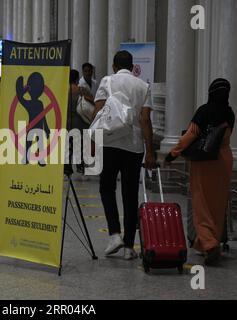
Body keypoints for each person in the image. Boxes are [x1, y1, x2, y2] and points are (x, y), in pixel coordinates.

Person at [165, 79, 235, 266]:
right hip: (224, 159)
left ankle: (210, 244)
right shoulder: (229, 113)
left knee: (201, 202)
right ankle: (207, 242)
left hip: (205, 162)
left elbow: (190, 135)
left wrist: (172, 155)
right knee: (218, 204)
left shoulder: (204, 111)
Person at [93, 50, 156, 259]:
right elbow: (145, 120)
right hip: (134, 146)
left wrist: (92, 142)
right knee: (130, 195)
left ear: (113, 66)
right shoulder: (143, 86)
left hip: (110, 143)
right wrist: (150, 152)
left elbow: (99, 112)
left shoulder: (107, 81)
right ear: (132, 67)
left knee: (106, 187)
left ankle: (114, 235)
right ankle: (129, 247)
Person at [67, 69, 90, 175]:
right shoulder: (82, 90)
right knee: (79, 144)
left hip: (67, 121)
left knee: (67, 144)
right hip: (79, 121)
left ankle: (67, 167)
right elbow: (92, 102)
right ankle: (80, 165)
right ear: (77, 79)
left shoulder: (63, 90)